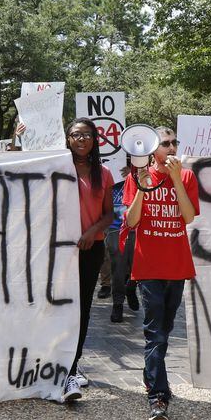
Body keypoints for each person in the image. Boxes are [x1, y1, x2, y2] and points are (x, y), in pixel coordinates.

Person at [124, 126, 199, 420]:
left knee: (165, 329)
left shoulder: (187, 176)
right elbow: (131, 221)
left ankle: (151, 375)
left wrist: (177, 179)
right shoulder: (138, 177)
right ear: (152, 149)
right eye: (164, 143)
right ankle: (158, 397)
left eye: (173, 142)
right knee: (155, 332)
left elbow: (189, 216)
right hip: (149, 267)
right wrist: (142, 188)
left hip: (177, 265)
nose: (170, 148)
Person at [62, 118, 115, 402]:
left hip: (89, 250)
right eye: (75, 135)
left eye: (86, 135)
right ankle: (55, 362)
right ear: (67, 139)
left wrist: (92, 231)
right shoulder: (57, 166)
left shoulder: (104, 173)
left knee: (81, 308)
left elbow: (109, 214)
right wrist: (17, 139)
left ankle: (72, 367)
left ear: (95, 140)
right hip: (58, 251)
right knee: (57, 306)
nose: (81, 140)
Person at [106, 163, 139, 323]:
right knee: (118, 268)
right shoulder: (109, 177)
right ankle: (117, 303)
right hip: (115, 228)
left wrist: (134, 177)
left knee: (137, 266)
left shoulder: (141, 176)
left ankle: (131, 288)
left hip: (137, 229)